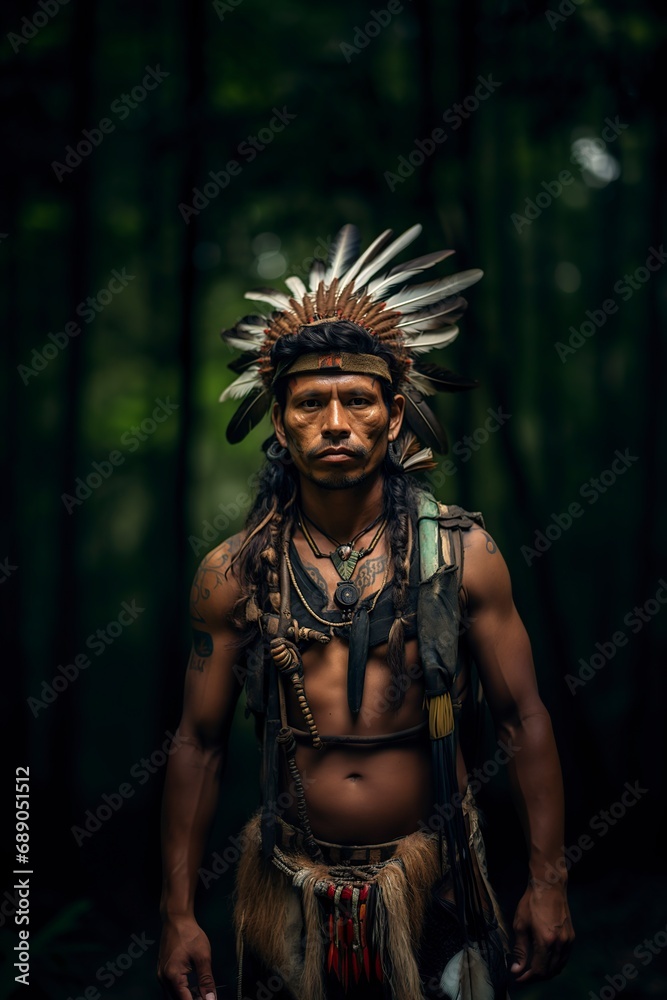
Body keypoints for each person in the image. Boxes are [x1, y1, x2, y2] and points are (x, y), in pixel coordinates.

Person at [157, 224, 574, 1000]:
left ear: (394, 412)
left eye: (358, 399)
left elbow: (525, 721)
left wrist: (547, 883)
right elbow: (197, 745)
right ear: (280, 425)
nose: (337, 422)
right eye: (311, 403)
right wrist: (178, 913)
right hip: (287, 888)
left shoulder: (462, 555)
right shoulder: (234, 572)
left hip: (435, 882)